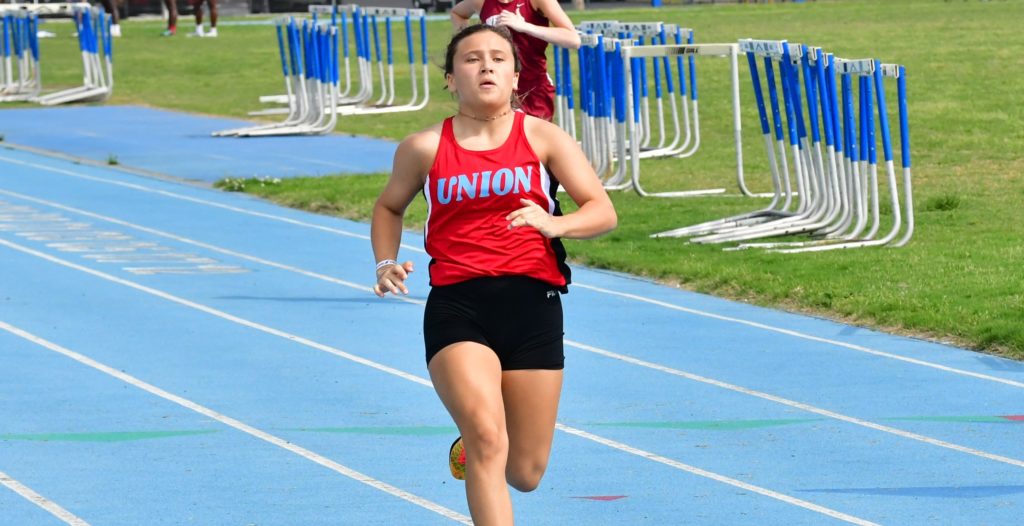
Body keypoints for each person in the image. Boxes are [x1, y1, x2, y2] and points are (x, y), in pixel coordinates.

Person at [371, 24, 616, 526]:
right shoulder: (424, 147)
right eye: (472, 58)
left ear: (516, 76)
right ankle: (479, 435)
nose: (486, 66)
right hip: (459, 307)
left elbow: (602, 210)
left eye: (498, 58)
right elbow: (388, 207)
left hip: (533, 308)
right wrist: (385, 261)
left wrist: (556, 223)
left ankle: (477, 440)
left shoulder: (544, 137)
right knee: (487, 436)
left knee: (524, 472)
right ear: (450, 78)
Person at [450, 0, 580, 121]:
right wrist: (472, 43)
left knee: (532, 137)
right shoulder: (481, 2)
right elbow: (457, 14)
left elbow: (573, 39)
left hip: (533, 89)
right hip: (498, 87)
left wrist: (525, 26)